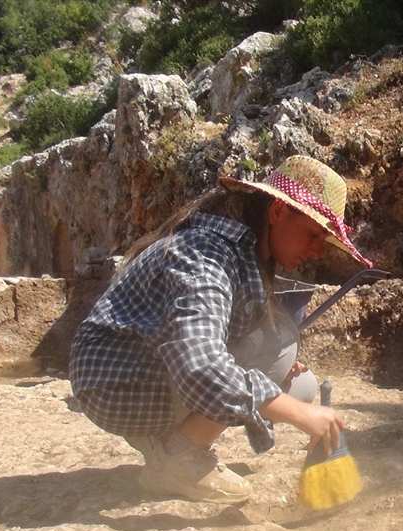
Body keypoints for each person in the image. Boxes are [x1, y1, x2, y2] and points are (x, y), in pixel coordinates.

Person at [69, 155, 373, 503]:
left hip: (147, 367)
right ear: (276, 213)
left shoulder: (243, 254)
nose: (317, 250)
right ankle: (179, 458)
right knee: (281, 355)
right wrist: (303, 415)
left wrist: (277, 382)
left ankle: (165, 443)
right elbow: (200, 365)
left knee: (297, 384)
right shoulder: (204, 255)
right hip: (114, 380)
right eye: (314, 233)